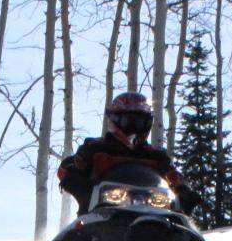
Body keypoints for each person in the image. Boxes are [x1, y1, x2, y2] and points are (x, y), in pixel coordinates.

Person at [57, 92, 199, 215]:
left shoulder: (156, 156)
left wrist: (184, 192)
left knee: (188, 236)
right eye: (127, 120)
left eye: (139, 121)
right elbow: (71, 166)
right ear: (114, 120)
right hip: (100, 213)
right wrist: (79, 186)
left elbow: (174, 177)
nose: (133, 127)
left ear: (148, 123)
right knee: (71, 238)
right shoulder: (94, 148)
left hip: (153, 214)